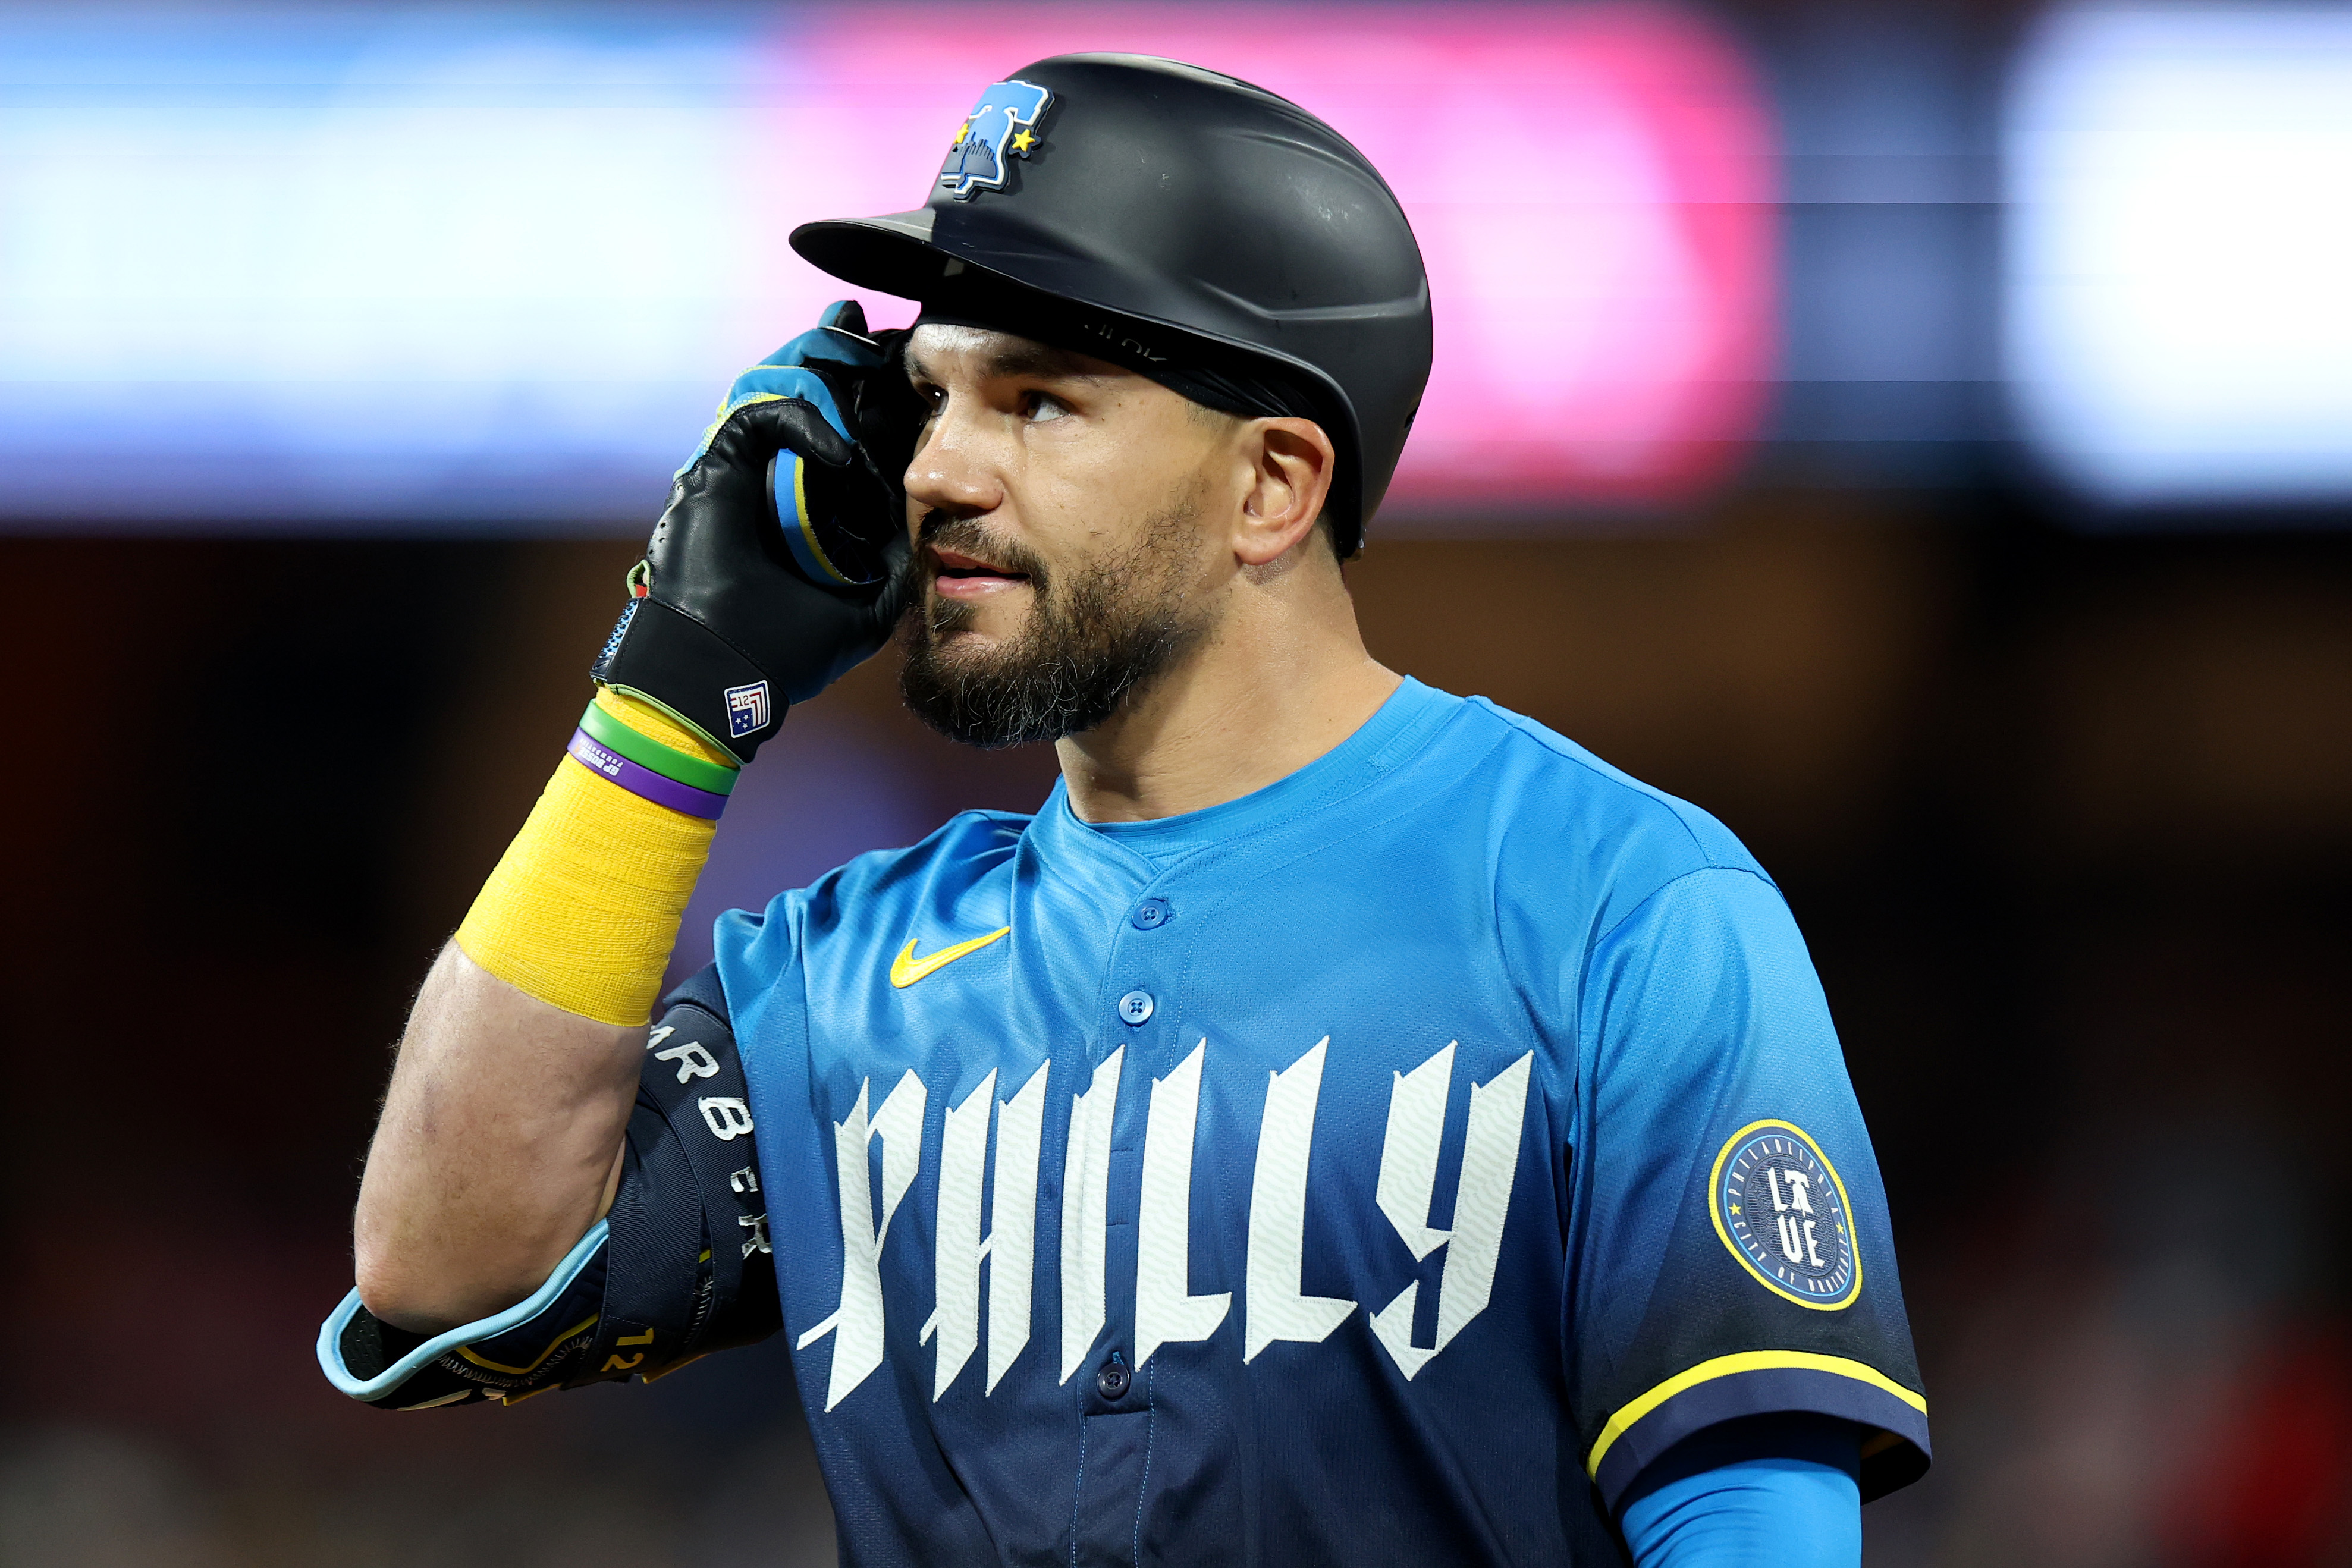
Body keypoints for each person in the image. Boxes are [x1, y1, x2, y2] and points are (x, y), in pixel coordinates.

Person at [319, 53, 1928, 1566]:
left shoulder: (1612, 906)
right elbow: (445, 1260)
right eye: (932, 399)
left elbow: (1747, 1513)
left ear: (1271, 486)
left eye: (1038, 402)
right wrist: (666, 698)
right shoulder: (844, 974)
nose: (937, 472)